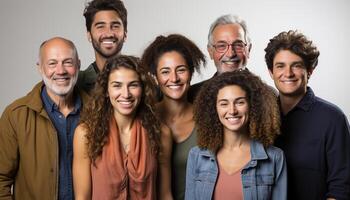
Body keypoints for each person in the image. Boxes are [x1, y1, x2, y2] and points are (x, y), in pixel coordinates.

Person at [265, 30, 350, 200]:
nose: (288, 73)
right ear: (270, 72)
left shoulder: (332, 118)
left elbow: (341, 187)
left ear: (309, 70)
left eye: (296, 65)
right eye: (280, 66)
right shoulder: (261, 115)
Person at [73, 55, 173, 200]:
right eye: (117, 85)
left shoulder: (161, 133)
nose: (126, 94)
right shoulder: (85, 133)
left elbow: (165, 195)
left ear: (143, 89)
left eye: (133, 85)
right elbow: (82, 197)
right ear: (106, 91)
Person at [0, 37, 89, 199]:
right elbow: (1, 179)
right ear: (40, 68)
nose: (60, 71)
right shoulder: (16, 115)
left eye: (68, 62)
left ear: (78, 65)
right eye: (52, 63)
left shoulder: (98, 112)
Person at [185, 70, 287, 200]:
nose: (232, 111)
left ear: (253, 105)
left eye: (240, 102)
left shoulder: (275, 158)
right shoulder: (197, 156)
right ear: (213, 108)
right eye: (224, 103)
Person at [141, 34, 206, 200]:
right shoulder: (143, 118)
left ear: (191, 73)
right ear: (155, 76)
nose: (174, 78)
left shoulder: (207, 120)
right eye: (165, 72)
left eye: (181, 70)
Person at [188, 14, 252, 102]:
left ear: (248, 49)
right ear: (210, 51)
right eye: (221, 46)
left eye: (238, 45)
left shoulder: (268, 95)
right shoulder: (193, 95)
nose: (230, 54)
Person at [77, 0, 127, 93]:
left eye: (115, 26)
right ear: (89, 35)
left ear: (125, 34)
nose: (108, 33)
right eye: (100, 26)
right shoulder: (76, 83)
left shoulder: (143, 79)